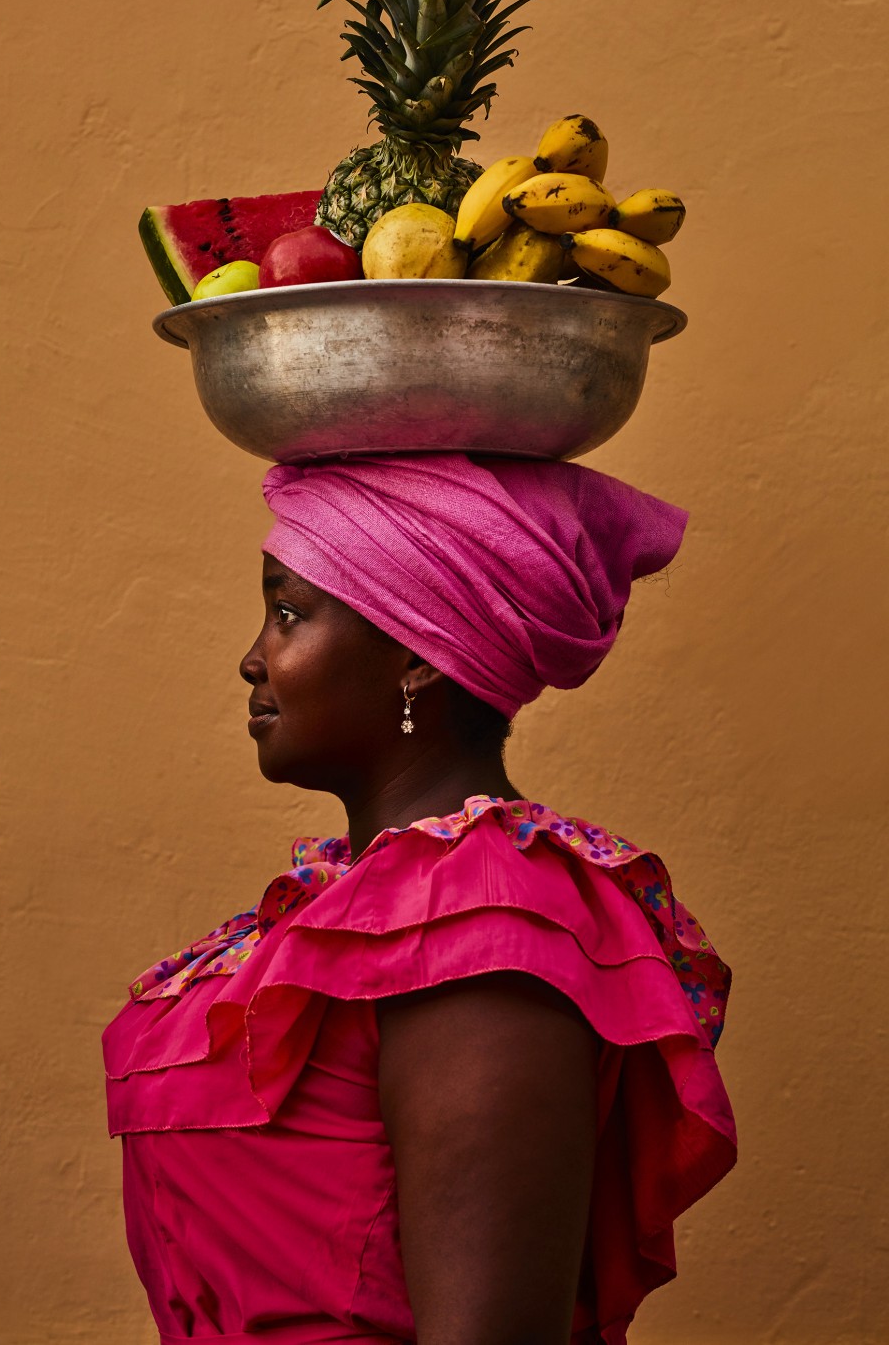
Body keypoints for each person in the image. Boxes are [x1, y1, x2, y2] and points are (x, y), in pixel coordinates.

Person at [103, 453, 736, 1345]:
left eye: (288, 613)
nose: (252, 657)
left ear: (412, 658)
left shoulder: (481, 917)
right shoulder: (344, 905)